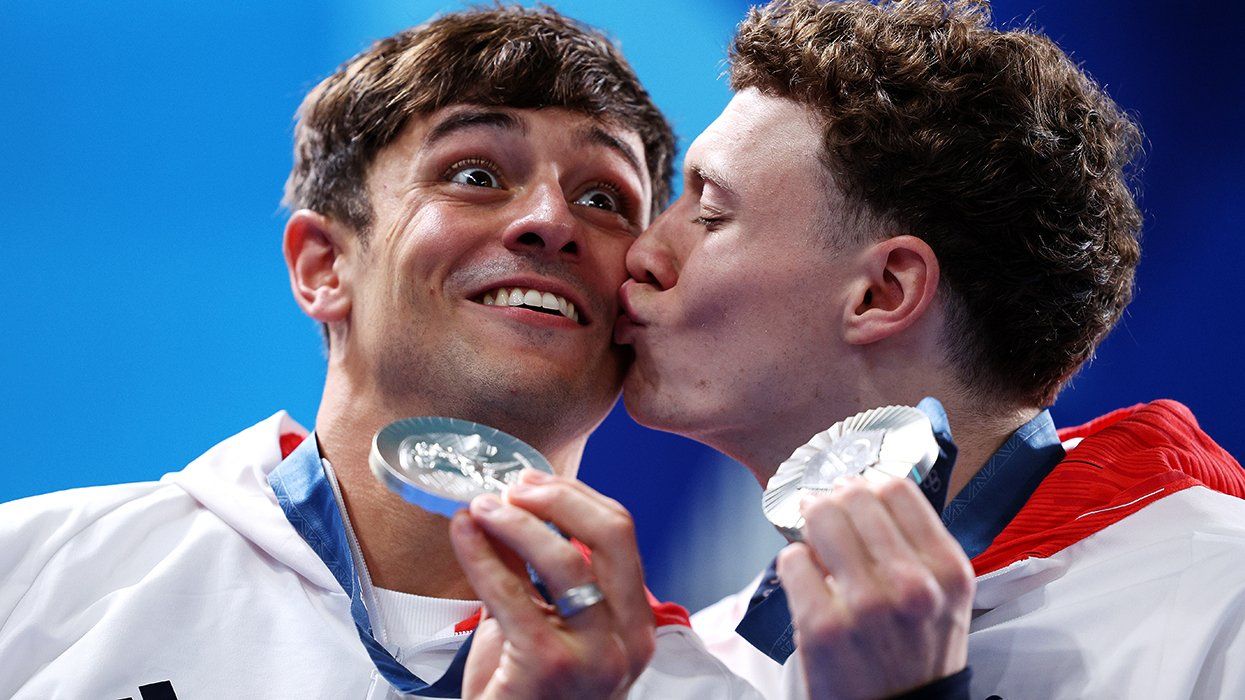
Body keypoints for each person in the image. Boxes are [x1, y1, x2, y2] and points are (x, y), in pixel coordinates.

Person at [0, 7, 761, 699]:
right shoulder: (33, 576)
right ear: (323, 267)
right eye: (475, 175)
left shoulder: (700, 691)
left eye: (604, 199)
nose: (549, 220)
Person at [616, 0, 1245, 697]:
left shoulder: (1221, 602)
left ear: (883, 292)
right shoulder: (719, 657)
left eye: (708, 214)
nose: (642, 251)